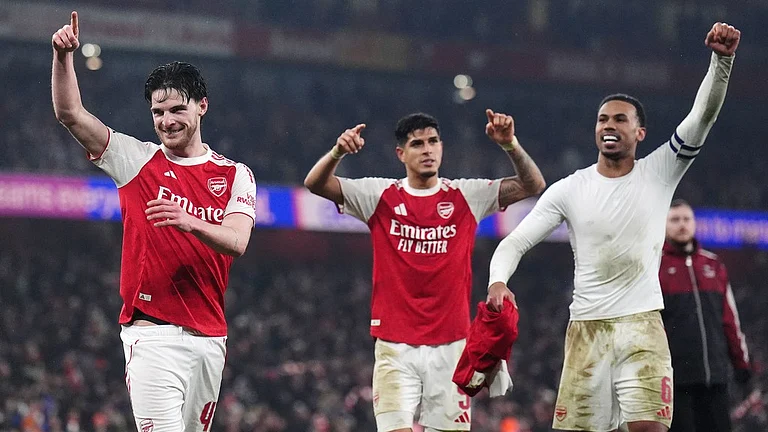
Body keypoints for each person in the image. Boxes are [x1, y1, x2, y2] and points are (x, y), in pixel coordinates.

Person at [486, 22, 741, 432]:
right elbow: (515, 241)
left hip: (642, 326)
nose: (609, 125)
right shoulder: (570, 188)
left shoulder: (660, 171)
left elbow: (702, 116)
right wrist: (498, 281)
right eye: (603, 119)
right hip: (586, 330)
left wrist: (722, 62)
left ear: (639, 132)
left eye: (620, 120)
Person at [51, 11, 256, 431]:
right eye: (158, 111)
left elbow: (237, 241)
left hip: (211, 339)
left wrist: (189, 221)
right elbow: (71, 114)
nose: (166, 121)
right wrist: (62, 57)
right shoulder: (137, 161)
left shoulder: (235, 174)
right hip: (152, 338)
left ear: (202, 106)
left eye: (177, 109)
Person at [304, 110, 546, 431]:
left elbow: (533, 184)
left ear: (442, 147)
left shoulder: (467, 195)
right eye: (418, 144)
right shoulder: (379, 195)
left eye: (433, 142)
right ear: (401, 154)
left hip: (452, 346)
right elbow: (315, 183)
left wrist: (510, 144)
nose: (428, 150)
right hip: (395, 346)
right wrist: (338, 152)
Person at [660, 199, 751, 432]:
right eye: (675, 219)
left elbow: (730, 320)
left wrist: (741, 363)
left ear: (694, 223)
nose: (682, 225)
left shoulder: (713, 264)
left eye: (686, 219)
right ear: (664, 225)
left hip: (716, 378)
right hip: (676, 382)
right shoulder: (655, 266)